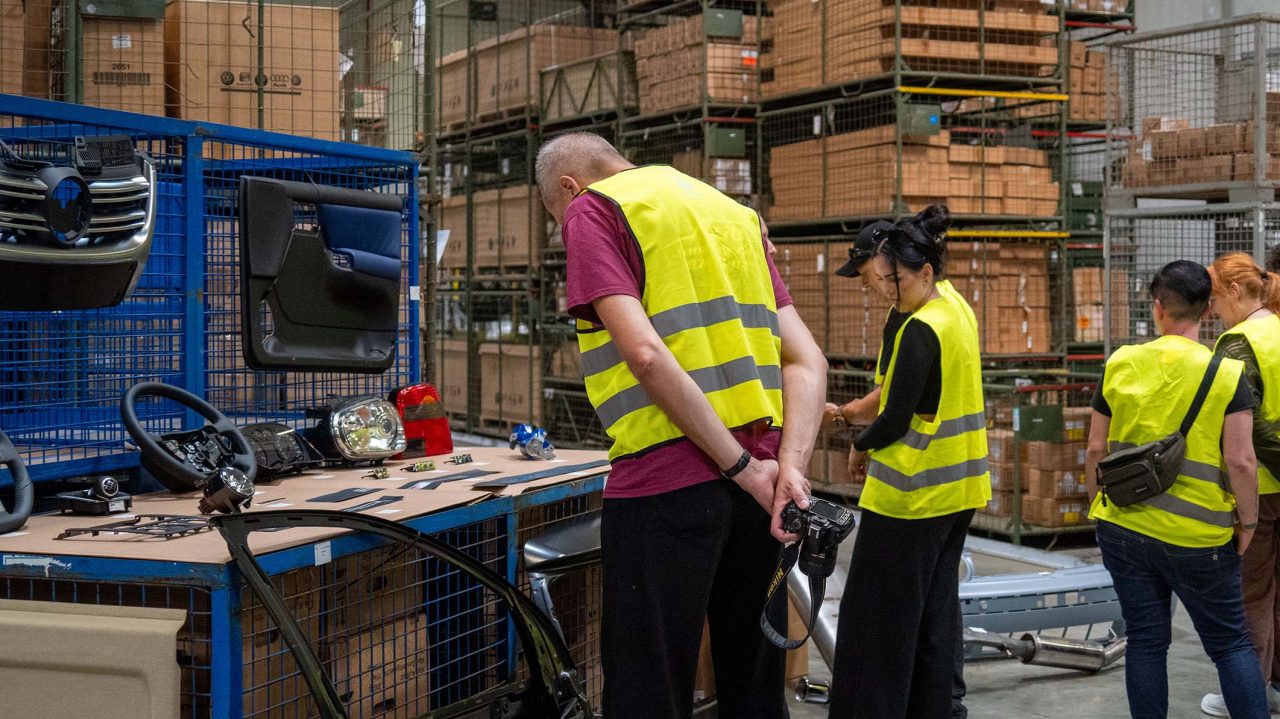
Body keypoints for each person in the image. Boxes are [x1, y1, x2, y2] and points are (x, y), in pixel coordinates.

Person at [534, 132, 828, 719]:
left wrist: (741, 469)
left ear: (570, 186)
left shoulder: (597, 208)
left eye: (555, 213)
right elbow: (808, 360)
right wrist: (786, 470)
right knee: (754, 681)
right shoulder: (735, 216)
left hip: (666, 484)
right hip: (765, 492)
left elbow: (644, 354)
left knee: (650, 685)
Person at [1085, 260, 1265, 719]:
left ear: (1158, 307)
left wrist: (1099, 508)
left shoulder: (1120, 362)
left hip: (1123, 529)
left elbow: (1093, 449)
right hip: (1198, 539)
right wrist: (1247, 522)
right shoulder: (1225, 375)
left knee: (1146, 640)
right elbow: (1242, 461)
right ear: (1207, 310)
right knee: (1229, 645)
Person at [827, 220, 991, 718]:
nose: (887, 291)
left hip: (910, 498)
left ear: (924, 271)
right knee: (933, 619)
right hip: (959, 493)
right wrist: (855, 414)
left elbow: (897, 416)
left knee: (878, 627)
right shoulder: (954, 308)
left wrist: (860, 444)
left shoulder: (919, 327)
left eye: (893, 280)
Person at [1200, 253, 1280, 717]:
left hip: (1263, 485)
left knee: (1252, 591)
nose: (1212, 310)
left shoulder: (1239, 342)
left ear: (1234, 291)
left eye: (1215, 298)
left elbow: (1249, 429)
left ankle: (1249, 690)